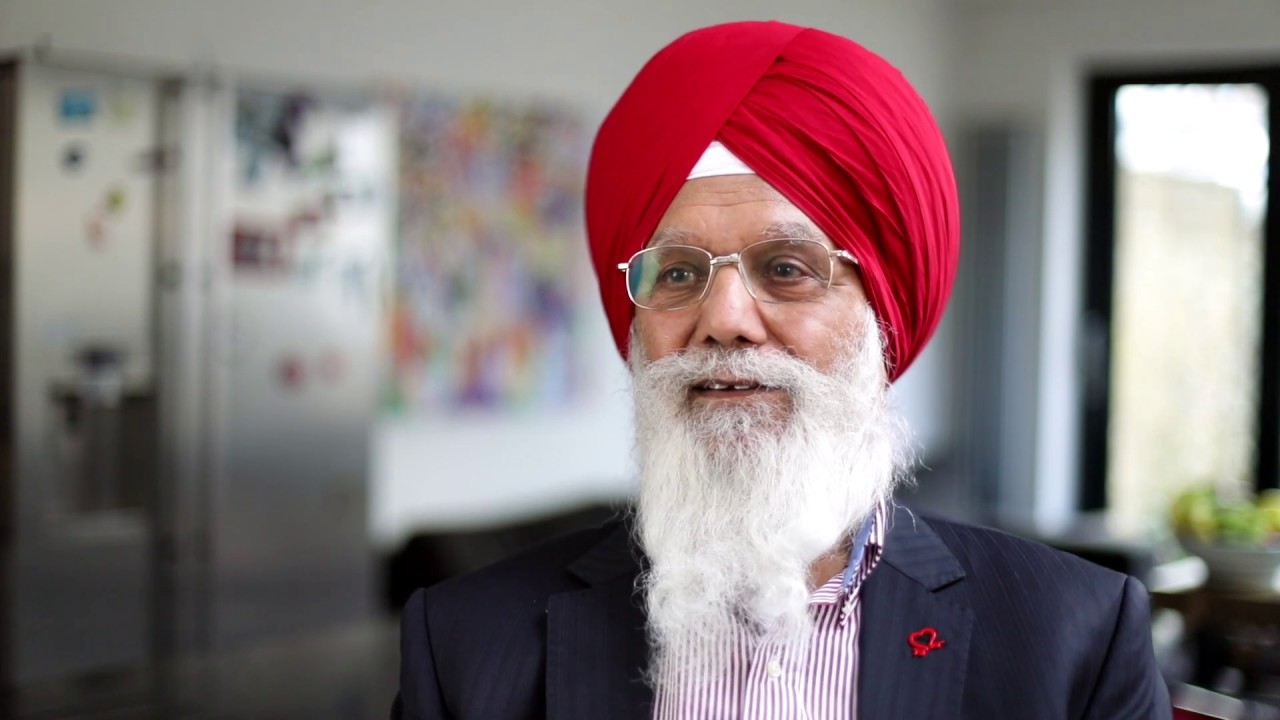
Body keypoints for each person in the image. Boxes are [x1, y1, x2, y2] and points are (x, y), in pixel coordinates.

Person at [392, 20, 1171, 719]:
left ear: (882, 317)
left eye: (789, 267)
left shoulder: (1074, 641)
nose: (724, 318)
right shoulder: (463, 644)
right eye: (677, 273)